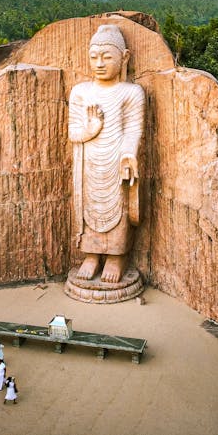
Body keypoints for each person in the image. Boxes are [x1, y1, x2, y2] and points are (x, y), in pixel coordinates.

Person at [68, 24, 145, 284]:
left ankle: (116, 257)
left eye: (107, 56)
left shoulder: (131, 93)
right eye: (94, 57)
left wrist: (128, 156)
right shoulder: (80, 92)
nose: (99, 63)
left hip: (117, 159)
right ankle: (91, 255)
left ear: (124, 57)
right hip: (88, 162)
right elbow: (73, 133)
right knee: (91, 207)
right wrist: (91, 129)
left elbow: (134, 129)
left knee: (118, 205)